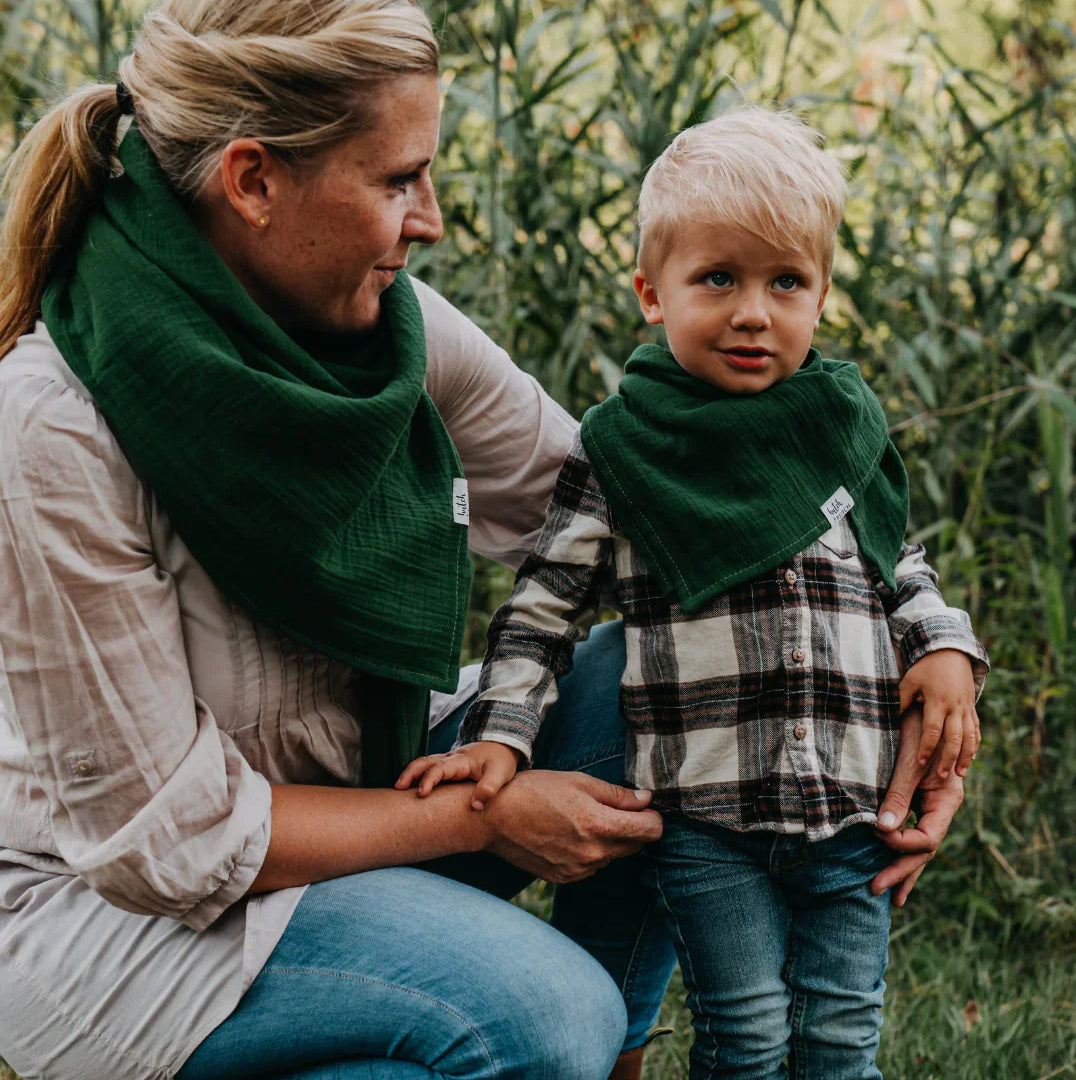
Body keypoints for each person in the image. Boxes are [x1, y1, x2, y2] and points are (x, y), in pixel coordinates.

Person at [0, 0, 963, 1072]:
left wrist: (916, 671)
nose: (432, 219)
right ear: (254, 181)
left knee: (637, 677)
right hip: (129, 922)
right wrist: (482, 816)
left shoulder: (394, 336)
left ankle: (597, 1057)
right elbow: (173, 843)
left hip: (360, 797)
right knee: (546, 1017)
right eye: (398, 180)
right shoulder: (50, 429)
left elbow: (649, 516)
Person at [400, 107, 989, 1080]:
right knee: (745, 1036)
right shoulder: (625, 451)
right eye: (718, 278)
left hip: (849, 805)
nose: (753, 311)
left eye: (785, 282)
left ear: (822, 294)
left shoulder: (836, 426)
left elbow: (897, 563)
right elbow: (543, 611)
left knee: (843, 1037)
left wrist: (943, 643)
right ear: (651, 292)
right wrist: (502, 737)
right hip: (709, 815)